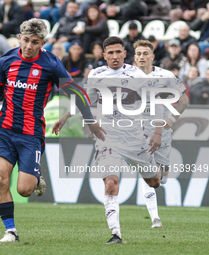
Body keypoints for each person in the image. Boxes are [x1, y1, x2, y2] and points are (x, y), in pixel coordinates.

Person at [0, 18, 102, 243]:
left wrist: (88, 119)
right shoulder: (7, 59)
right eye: (26, 40)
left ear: (42, 43)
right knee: (0, 179)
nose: (29, 46)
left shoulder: (51, 64)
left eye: (34, 42)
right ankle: (11, 231)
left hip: (30, 134)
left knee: (25, 190)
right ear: (19, 38)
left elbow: (76, 93)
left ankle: (35, 179)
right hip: (5, 129)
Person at [53, 36, 164, 244]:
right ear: (104, 56)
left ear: (124, 54)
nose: (114, 56)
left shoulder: (136, 74)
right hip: (106, 137)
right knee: (111, 183)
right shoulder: (96, 74)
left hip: (135, 137)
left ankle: (155, 170)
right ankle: (116, 234)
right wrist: (65, 116)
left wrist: (157, 132)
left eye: (118, 52)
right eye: (110, 53)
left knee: (154, 182)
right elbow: (83, 99)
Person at [134, 39, 189, 228]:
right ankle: (155, 218)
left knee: (160, 177)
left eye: (145, 53)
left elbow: (183, 98)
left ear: (152, 56)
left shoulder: (165, 76)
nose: (142, 57)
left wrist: (172, 120)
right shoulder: (127, 77)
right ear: (135, 57)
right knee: (146, 172)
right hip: (138, 132)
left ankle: (160, 175)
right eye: (139, 54)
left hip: (162, 132)